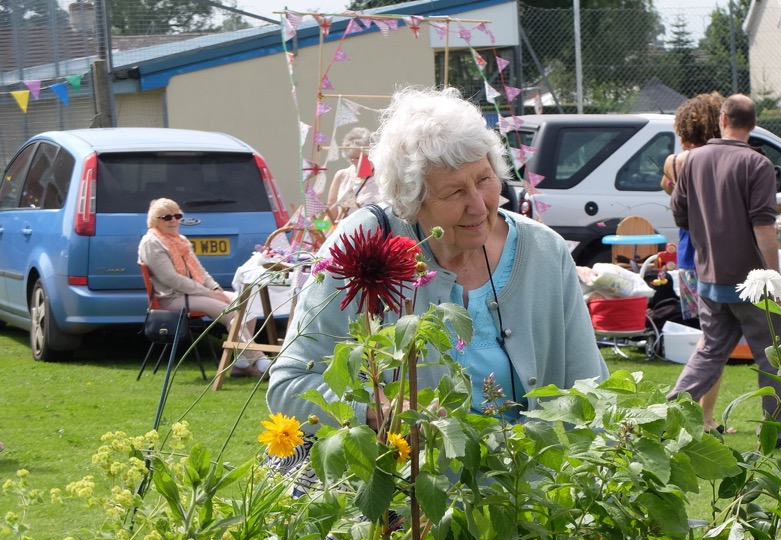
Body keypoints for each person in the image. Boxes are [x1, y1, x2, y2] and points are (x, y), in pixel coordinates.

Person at [268, 86, 606, 430]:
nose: (478, 205)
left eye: (484, 180)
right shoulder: (364, 244)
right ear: (411, 201)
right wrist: (370, 411)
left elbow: (590, 389)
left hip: (523, 482)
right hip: (405, 480)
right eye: (454, 191)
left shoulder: (544, 251)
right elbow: (288, 385)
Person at [668, 94, 781, 427]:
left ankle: (670, 411)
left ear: (722, 119)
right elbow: (763, 224)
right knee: (772, 356)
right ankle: (778, 428)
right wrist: (773, 278)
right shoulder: (757, 164)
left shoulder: (691, 160)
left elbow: (679, 214)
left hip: (709, 277)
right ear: (753, 125)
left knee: (710, 352)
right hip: (750, 283)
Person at [662, 91, 736, 433]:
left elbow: (669, 187)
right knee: (713, 343)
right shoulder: (710, 161)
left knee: (713, 341)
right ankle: (697, 415)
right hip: (709, 260)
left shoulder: (678, 162)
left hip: (689, 258)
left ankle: (704, 416)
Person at [138, 198, 268, 378]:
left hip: (193, 294)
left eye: (177, 216)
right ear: (155, 220)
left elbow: (200, 271)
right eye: (167, 217)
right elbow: (171, 279)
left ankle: (242, 364)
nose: (174, 221)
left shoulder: (179, 240)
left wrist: (215, 289)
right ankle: (260, 360)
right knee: (229, 311)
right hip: (171, 298)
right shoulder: (151, 243)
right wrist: (209, 294)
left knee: (246, 303)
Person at [326, 127, 380, 224]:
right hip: (344, 234)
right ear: (350, 158)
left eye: (366, 156)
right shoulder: (341, 175)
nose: (362, 161)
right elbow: (330, 216)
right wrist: (317, 230)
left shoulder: (382, 176)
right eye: (356, 158)